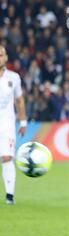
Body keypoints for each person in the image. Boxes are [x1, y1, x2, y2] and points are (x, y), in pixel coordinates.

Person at [0, 45, 27, 205]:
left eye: (1, 54)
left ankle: (9, 196)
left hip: (6, 123)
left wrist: (23, 121)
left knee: (7, 157)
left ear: (6, 57)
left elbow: (19, 100)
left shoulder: (14, 77)